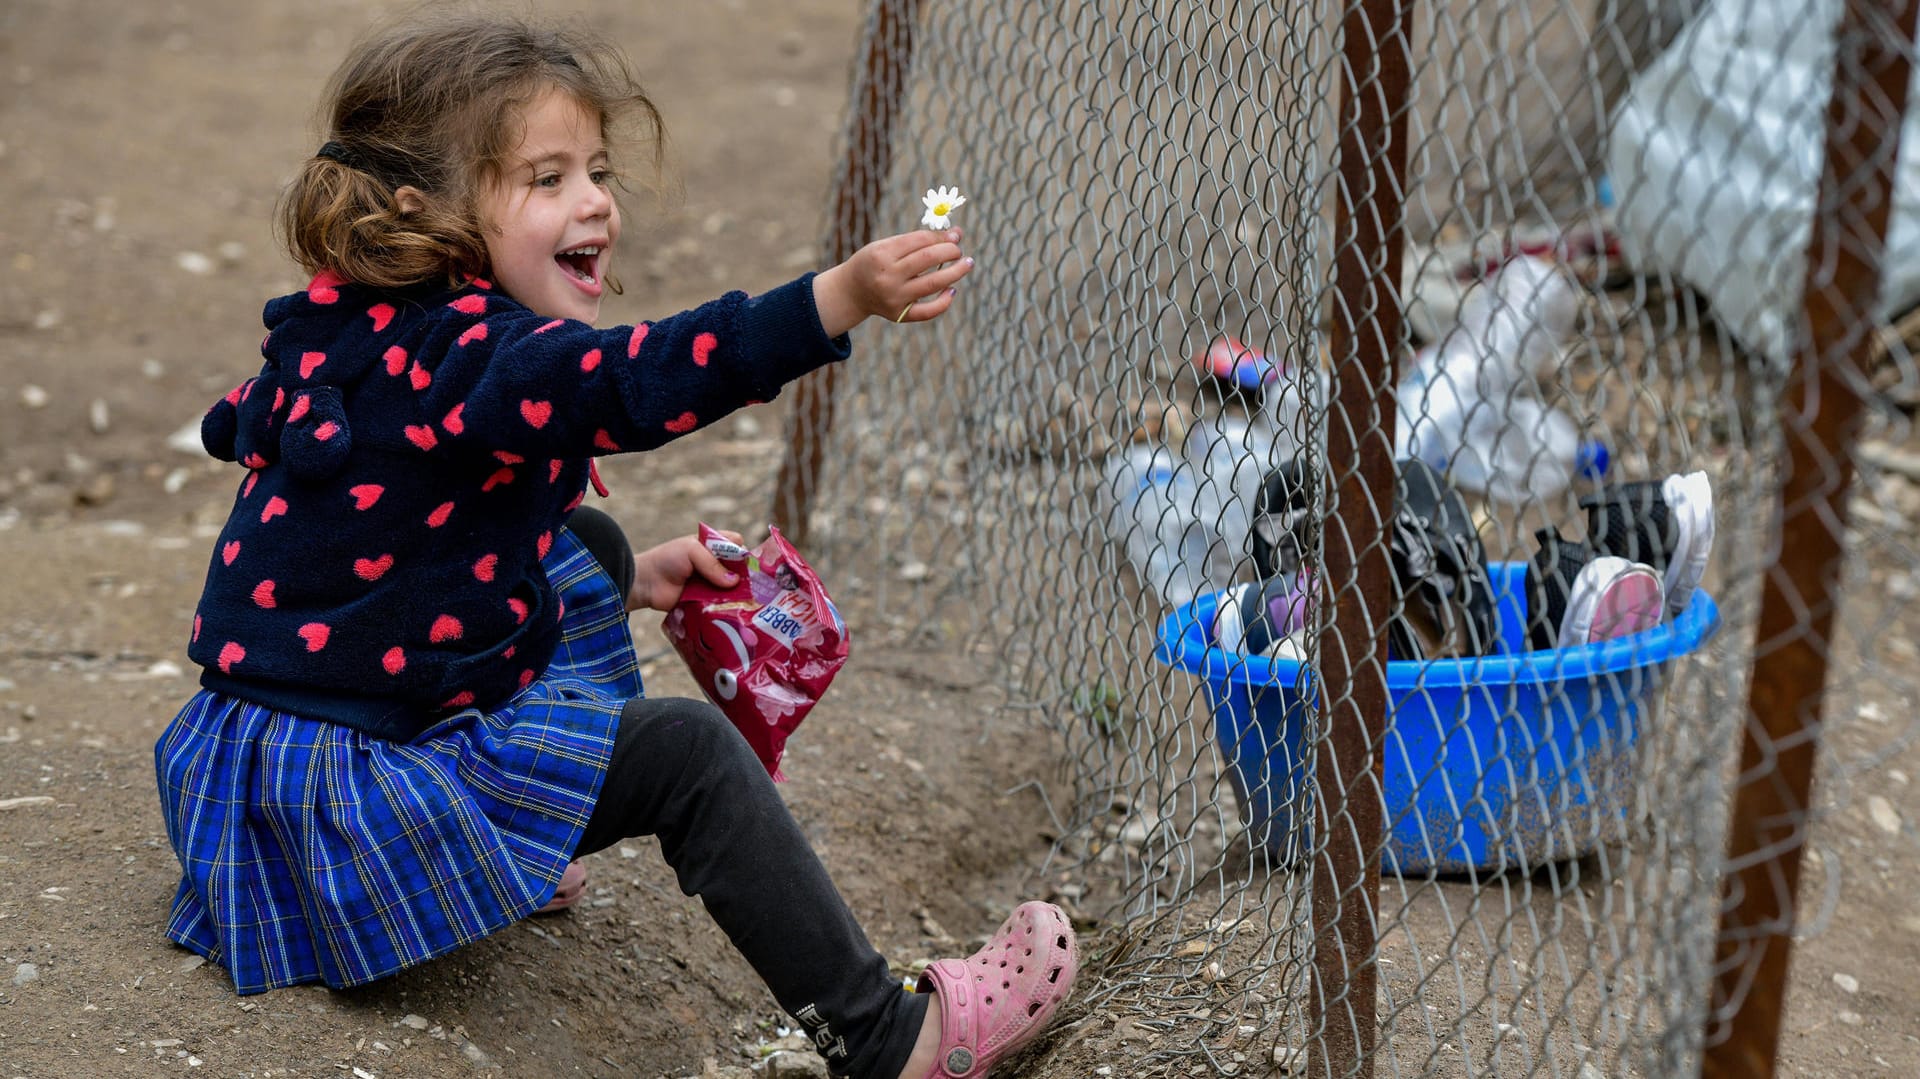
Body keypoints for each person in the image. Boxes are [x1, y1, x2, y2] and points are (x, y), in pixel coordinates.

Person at [152, 11, 1077, 1079]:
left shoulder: (353, 325)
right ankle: (885, 1036)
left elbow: (373, 511)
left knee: (579, 541)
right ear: (427, 209)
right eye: (544, 178)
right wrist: (842, 296)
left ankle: (506, 846)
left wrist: (631, 578)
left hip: (250, 776)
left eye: (595, 170)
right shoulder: (467, 358)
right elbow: (637, 380)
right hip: (341, 820)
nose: (594, 200)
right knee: (685, 758)